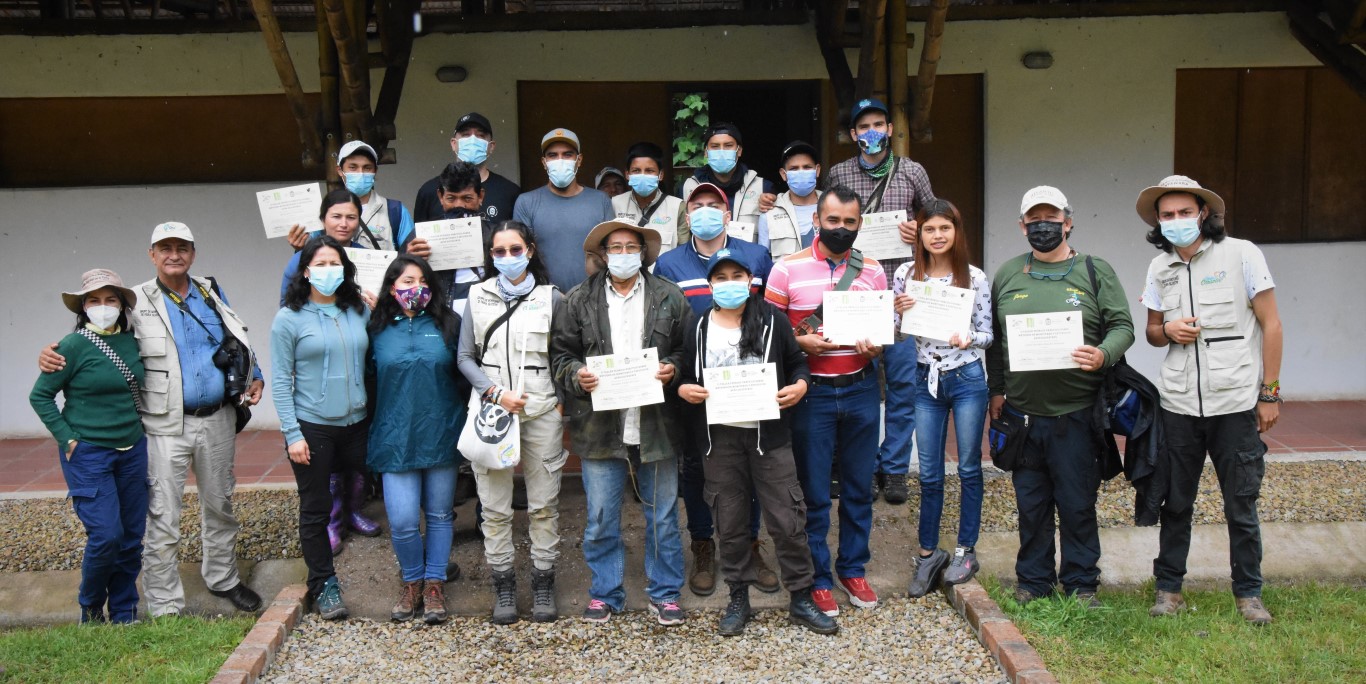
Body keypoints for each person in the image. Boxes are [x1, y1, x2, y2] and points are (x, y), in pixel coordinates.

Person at [39, 222, 267, 617]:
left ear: (193, 253)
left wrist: (255, 372)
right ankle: (164, 603)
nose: (173, 254)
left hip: (217, 418)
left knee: (221, 504)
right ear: (152, 254)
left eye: (182, 247)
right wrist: (51, 353)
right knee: (163, 513)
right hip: (163, 424)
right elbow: (97, 335)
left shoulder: (210, 291)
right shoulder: (135, 300)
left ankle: (224, 578)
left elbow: (235, 337)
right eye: (165, 247)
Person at [1134, 175, 1282, 625]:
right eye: (1167, 215)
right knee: (1175, 502)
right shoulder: (1159, 268)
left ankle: (1249, 594)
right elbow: (1152, 332)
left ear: (1203, 213)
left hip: (1235, 401)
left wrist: (1269, 393)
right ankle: (1169, 589)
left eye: (1184, 212)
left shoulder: (1243, 254)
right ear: (1158, 222)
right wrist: (1168, 331)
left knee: (1241, 501)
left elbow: (1271, 325)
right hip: (1179, 404)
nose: (1176, 220)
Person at [675, 249, 839, 637]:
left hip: (770, 437)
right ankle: (738, 597)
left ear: (749, 280)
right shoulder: (698, 327)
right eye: (721, 277)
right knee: (729, 523)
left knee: (787, 519)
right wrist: (682, 387)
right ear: (710, 284)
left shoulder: (772, 321)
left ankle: (800, 597)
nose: (729, 283)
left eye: (737, 276)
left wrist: (800, 385)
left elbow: (798, 362)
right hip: (720, 440)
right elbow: (682, 371)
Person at [987, 186, 1135, 607]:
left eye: (1051, 218)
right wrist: (996, 390)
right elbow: (996, 343)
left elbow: (1123, 327)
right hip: (1023, 415)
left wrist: (1103, 353)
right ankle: (1033, 582)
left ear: (1068, 222)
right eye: (1034, 220)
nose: (1043, 226)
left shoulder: (1094, 270)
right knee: (1031, 505)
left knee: (1076, 504)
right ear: (1022, 226)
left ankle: (1081, 584)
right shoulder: (1009, 273)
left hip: (1077, 414)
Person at [550, 220, 690, 626]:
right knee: (600, 517)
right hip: (600, 425)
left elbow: (685, 350)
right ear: (603, 254)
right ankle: (605, 592)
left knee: (662, 514)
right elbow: (560, 355)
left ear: (644, 253)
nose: (625, 253)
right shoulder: (577, 300)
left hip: (657, 424)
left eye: (633, 246)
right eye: (617, 247)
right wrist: (576, 375)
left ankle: (664, 593)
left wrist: (673, 368)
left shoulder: (670, 297)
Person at [764, 186, 888, 617]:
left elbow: (881, 330)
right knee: (814, 493)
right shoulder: (785, 270)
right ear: (816, 221)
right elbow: (771, 335)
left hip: (859, 387)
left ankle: (853, 568)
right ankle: (818, 577)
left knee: (858, 487)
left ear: (859, 224)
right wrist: (802, 343)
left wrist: (877, 348)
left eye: (849, 222)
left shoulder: (872, 270)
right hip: (811, 394)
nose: (840, 229)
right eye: (832, 221)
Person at [654, 181, 776, 596]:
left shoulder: (756, 255)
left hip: (748, 385)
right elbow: (664, 327)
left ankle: (749, 545)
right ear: (687, 217)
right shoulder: (669, 263)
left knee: (751, 465)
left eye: (713, 205)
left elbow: (771, 314)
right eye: (697, 205)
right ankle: (703, 544)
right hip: (694, 388)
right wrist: (679, 380)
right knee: (695, 467)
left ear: (728, 214)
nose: (705, 211)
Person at [826, 98, 934, 505]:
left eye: (878, 124)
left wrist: (918, 227)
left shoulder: (912, 171)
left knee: (904, 386)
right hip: (857, 295)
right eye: (863, 126)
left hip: (903, 296)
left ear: (889, 128)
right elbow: (829, 221)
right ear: (853, 134)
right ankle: (865, 466)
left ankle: (894, 469)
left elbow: (936, 217)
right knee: (862, 386)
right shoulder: (840, 172)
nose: (870, 132)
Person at [458, 221, 567, 625]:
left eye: (515, 249)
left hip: (542, 411)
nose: (507, 257)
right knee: (495, 505)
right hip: (492, 410)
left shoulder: (552, 298)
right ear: (490, 256)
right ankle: (503, 583)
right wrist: (493, 393)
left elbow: (565, 355)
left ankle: (543, 582)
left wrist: (560, 407)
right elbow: (464, 357)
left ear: (531, 250)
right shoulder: (477, 295)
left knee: (543, 505)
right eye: (499, 251)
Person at [30, 269, 148, 624]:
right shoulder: (72, 346)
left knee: (131, 537)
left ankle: (125, 610)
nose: (103, 306)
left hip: (133, 447)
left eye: (111, 300)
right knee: (106, 536)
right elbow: (41, 396)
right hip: (89, 451)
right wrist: (67, 439)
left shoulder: (132, 341)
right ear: (83, 307)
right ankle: (91, 606)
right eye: (94, 301)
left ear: (122, 306)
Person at [891, 200, 993, 596]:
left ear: (956, 231)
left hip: (967, 376)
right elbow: (898, 332)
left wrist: (970, 338)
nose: (937, 236)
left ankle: (967, 550)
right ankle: (928, 553)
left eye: (944, 229)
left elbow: (988, 333)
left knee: (968, 468)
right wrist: (898, 313)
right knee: (930, 473)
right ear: (918, 233)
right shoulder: (905, 273)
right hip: (924, 378)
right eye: (929, 229)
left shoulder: (975, 277)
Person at [271, 236, 371, 619]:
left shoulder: (356, 310)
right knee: (315, 509)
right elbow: (281, 380)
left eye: (336, 263)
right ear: (306, 271)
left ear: (345, 270)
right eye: (321, 263)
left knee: (378, 492)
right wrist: (292, 434)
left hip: (358, 423)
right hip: (313, 427)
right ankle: (324, 584)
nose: (329, 270)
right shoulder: (289, 318)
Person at [280, 189, 383, 548]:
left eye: (351, 217)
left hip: (358, 382)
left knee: (356, 460)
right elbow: (292, 328)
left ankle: (353, 511)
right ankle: (333, 520)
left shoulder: (367, 266)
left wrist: (378, 304)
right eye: (336, 216)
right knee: (326, 468)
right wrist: (292, 432)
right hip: (317, 397)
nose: (344, 222)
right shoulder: (294, 289)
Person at [367, 254, 465, 625]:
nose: (414, 289)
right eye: (406, 281)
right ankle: (411, 581)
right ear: (391, 286)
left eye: (421, 281)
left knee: (440, 515)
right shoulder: (375, 329)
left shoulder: (448, 324)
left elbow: (466, 369)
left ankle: (435, 585)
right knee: (404, 519)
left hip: (441, 430)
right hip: (393, 436)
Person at [513, 128, 615, 292]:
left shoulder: (601, 201)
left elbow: (612, 252)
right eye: (552, 155)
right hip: (544, 299)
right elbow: (520, 256)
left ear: (579, 160)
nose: (560, 160)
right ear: (544, 162)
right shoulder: (526, 202)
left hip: (593, 298)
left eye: (567, 154)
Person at [288, 141, 415, 254]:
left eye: (367, 168)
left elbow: (410, 257)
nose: (360, 173)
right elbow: (309, 256)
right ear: (340, 170)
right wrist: (299, 247)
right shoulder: (323, 211)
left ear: (375, 171)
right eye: (353, 167)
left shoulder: (395, 211)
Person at [414, 111, 522, 223]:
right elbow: (420, 235)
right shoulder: (428, 191)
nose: (473, 140)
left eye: (480, 136)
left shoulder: (510, 192)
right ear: (453, 144)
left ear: (491, 146)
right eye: (466, 135)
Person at [679, 123, 776, 241]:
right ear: (706, 152)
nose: (721, 151)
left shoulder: (762, 187)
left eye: (728, 145)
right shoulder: (688, 187)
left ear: (739, 151)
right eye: (715, 146)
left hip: (747, 258)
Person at [611, 142, 687, 254]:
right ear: (627, 174)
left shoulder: (677, 207)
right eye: (636, 171)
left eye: (649, 171)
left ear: (660, 175)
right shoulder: (615, 204)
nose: (642, 175)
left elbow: (684, 253)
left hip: (663, 272)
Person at [757, 141, 822, 258]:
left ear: (817, 170)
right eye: (794, 169)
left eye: (807, 167)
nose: (801, 172)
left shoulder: (833, 207)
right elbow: (763, 260)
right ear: (783, 174)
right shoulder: (770, 214)